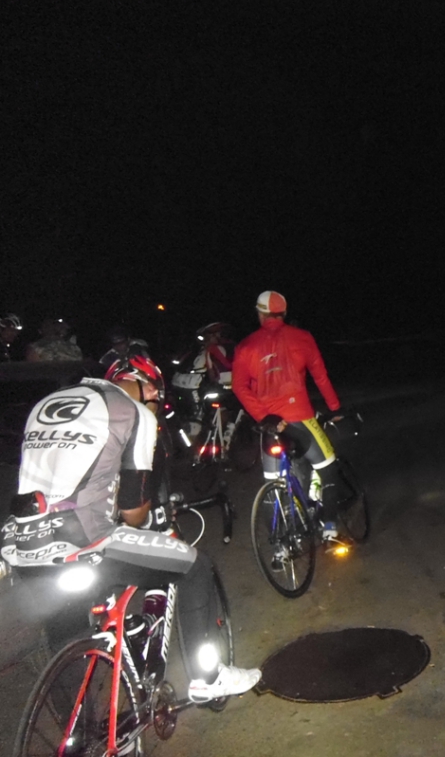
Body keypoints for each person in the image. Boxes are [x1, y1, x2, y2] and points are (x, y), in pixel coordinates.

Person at [0, 355, 261, 701]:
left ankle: (77, 728)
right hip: (83, 538)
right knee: (197, 567)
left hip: (19, 540)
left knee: (65, 629)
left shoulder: (46, 403)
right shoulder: (133, 412)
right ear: (150, 389)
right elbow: (134, 513)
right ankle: (208, 679)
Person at [231, 291, 348, 541]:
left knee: (273, 484)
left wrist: (264, 416)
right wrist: (335, 407)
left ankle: (280, 544)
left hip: (269, 426)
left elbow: (239, 387)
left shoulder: (246, 346)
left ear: (260, 314)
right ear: (283, 313)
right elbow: (321, 377)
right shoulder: (303, 337)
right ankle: (329, 530)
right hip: (300, 418)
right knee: (328, 469)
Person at [195, 322, 234, 387]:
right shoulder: (211, 349)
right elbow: (210, 368)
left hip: (230, 379)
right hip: (224, 381)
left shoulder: (216, 348)